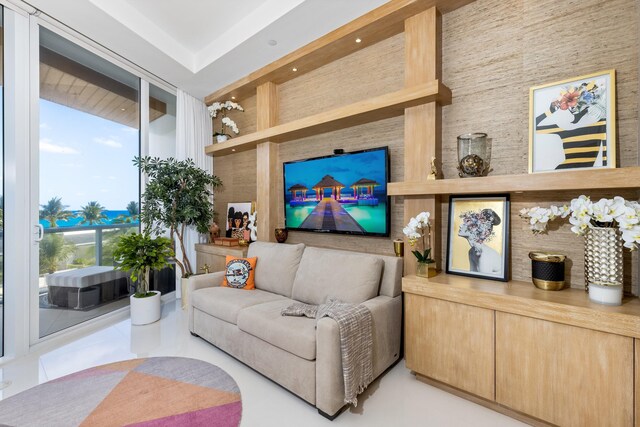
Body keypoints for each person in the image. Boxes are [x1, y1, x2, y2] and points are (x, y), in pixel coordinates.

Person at [535, 80, 608, 170]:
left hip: (577, 175)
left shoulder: (600, 123)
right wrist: (550, 111)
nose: (571, 107)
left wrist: (550, 111)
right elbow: (533, 128)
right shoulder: (564, 127)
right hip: (563, 174)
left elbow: (606, 157)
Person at [458, 208, 502, 274]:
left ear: (474, 229)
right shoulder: (472, 252)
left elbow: (485, 283)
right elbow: (473, 276)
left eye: (465, 223)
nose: (460, 226)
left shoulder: (484, 256)